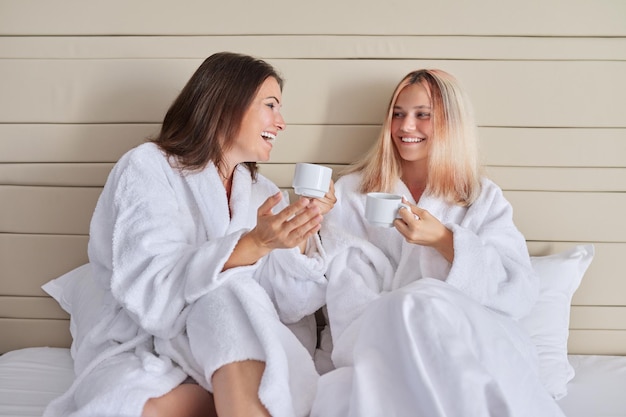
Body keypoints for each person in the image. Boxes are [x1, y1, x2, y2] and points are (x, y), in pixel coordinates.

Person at [43, 52, 336, 417]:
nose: (281, 122)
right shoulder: (148, 166)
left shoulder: (262, 191)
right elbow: (150, 284)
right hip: (148, 338)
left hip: (228, 348)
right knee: (134, 401)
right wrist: (253, 244)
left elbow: (289, 305)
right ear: (226, 103)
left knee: (227, 299)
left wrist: (305, 229)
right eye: (271, 105)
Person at [311, 69, 566, 416]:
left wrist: (445, 241)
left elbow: (518, 290)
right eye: (398, 114)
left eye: (422, 115)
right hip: (378, 338)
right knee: (406, 311)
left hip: (469, 339)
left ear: (451, 124)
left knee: (418, 303)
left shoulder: (480, 198)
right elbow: (345, 293)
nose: (405, 127)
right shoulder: (352, 195)